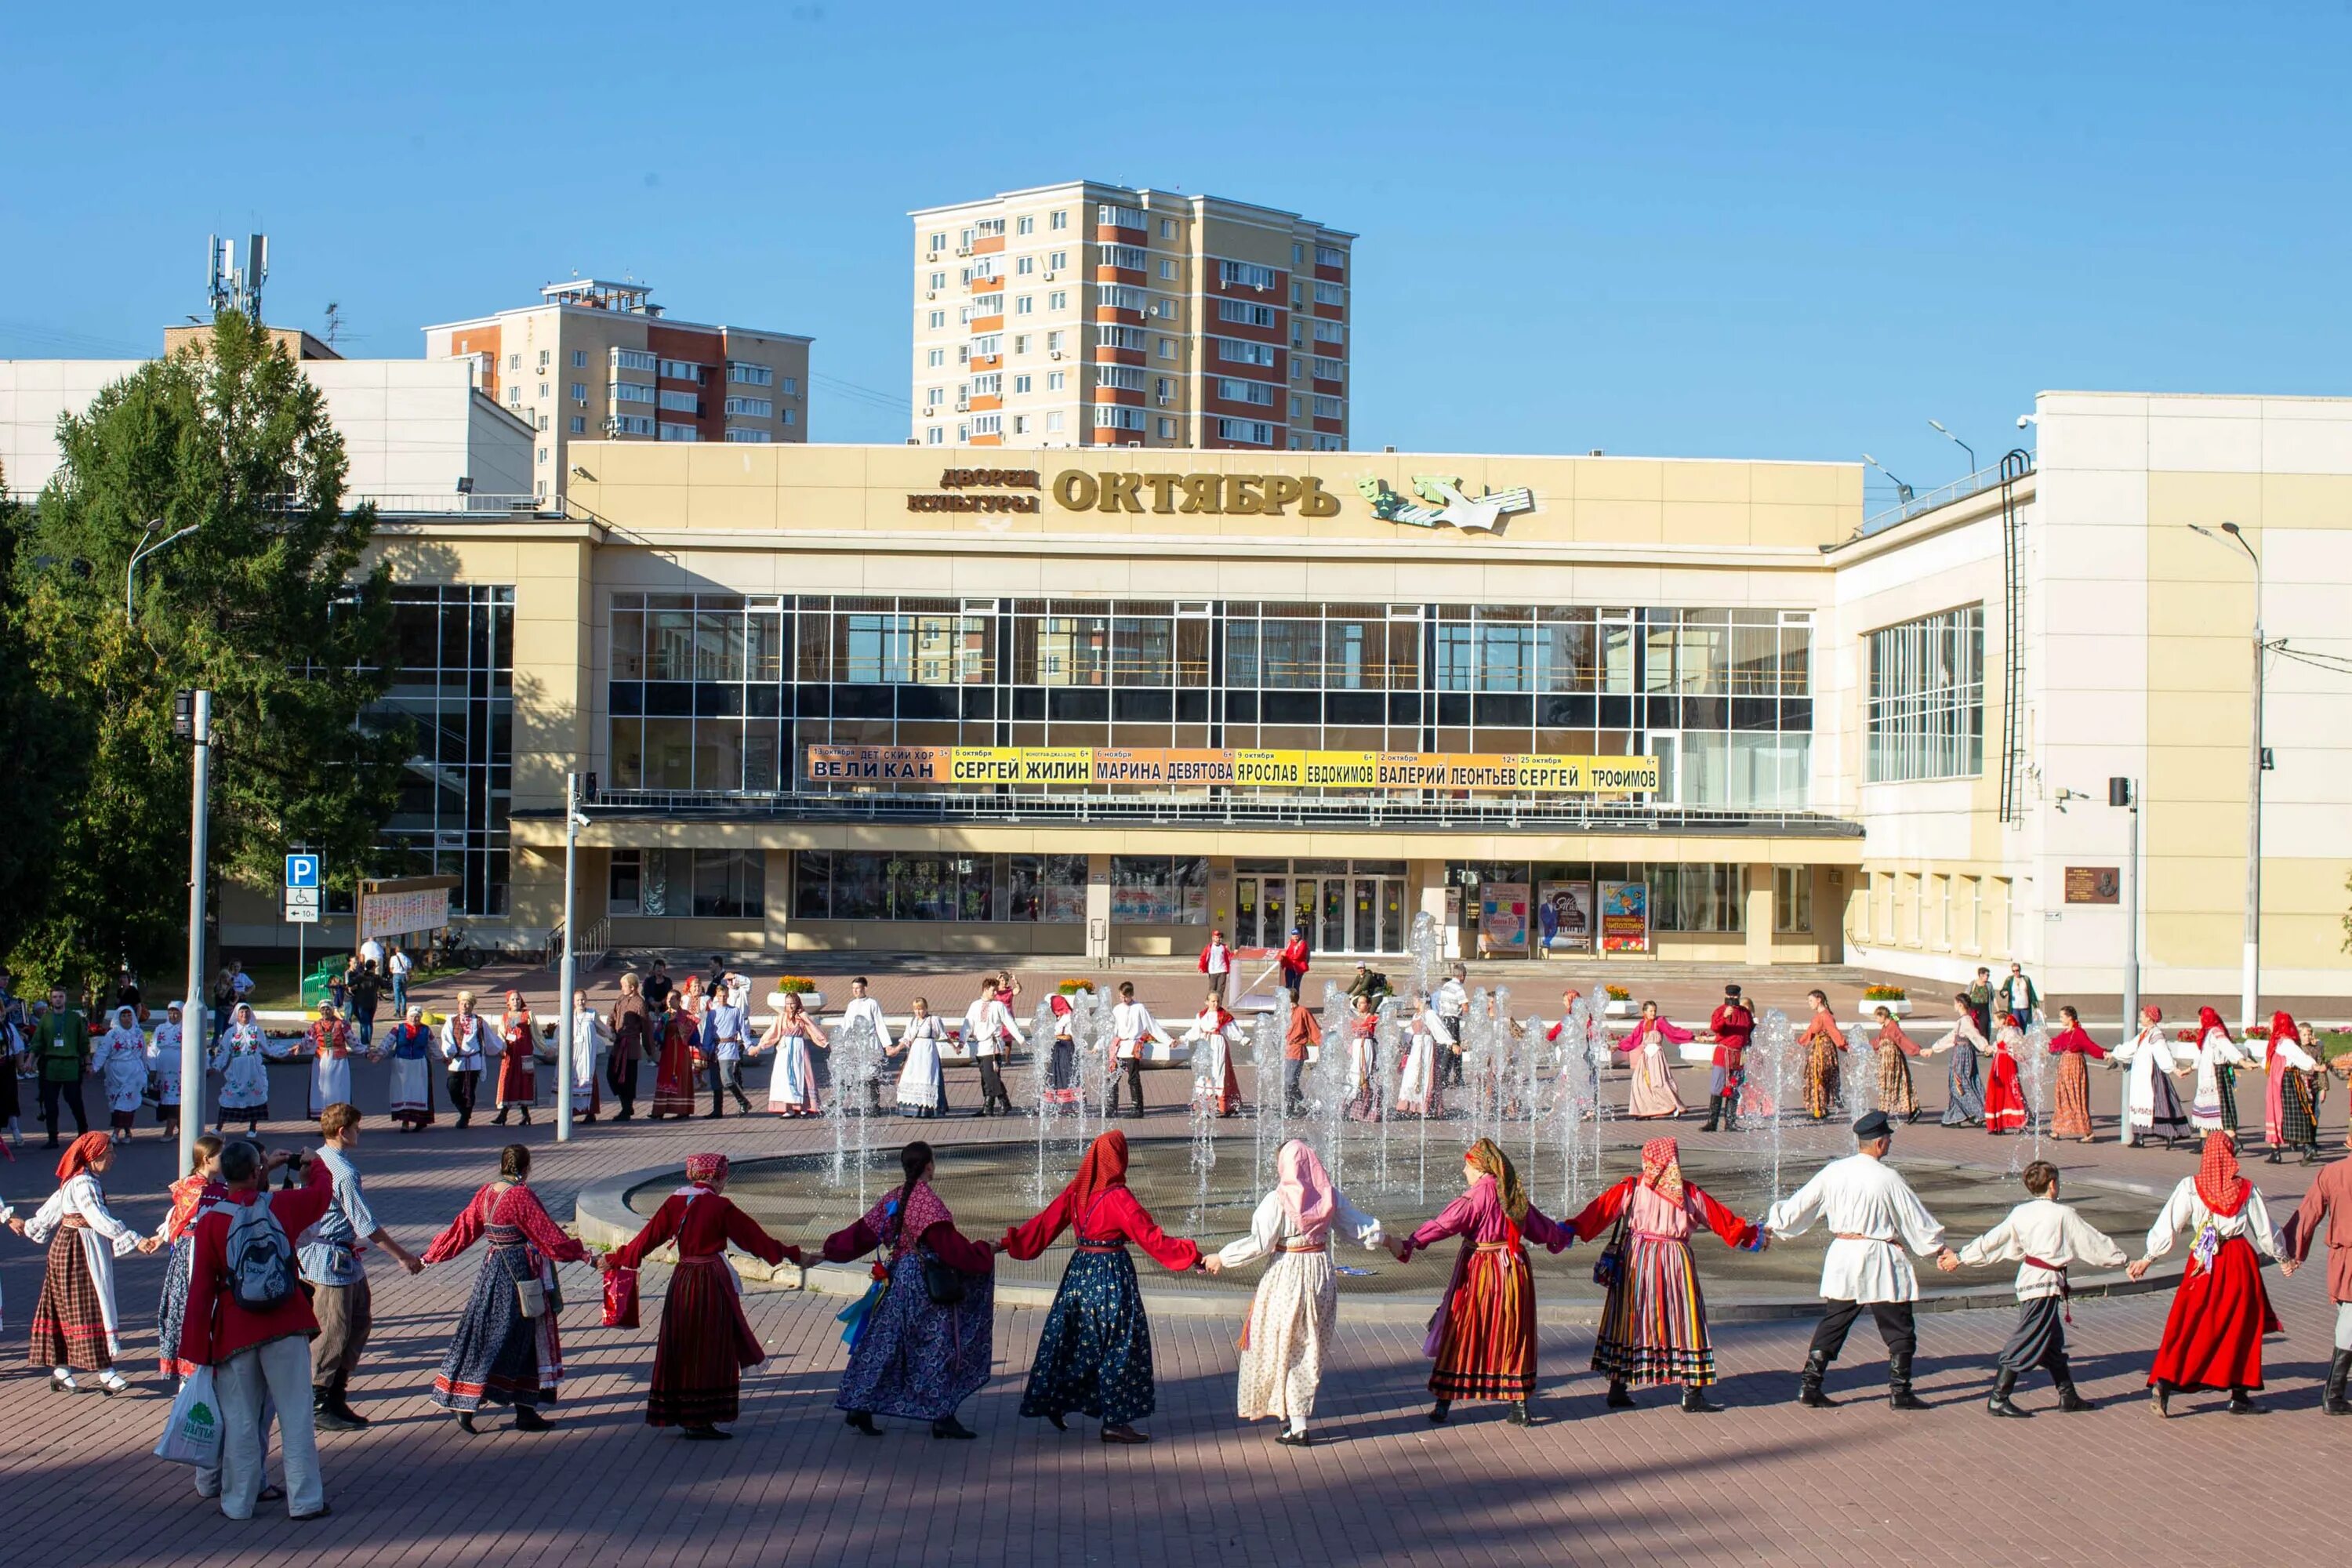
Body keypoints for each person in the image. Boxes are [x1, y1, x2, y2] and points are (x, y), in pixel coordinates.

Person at [1003, 1129, 1204, 1443]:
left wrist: (1009, 1243)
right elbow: (1151, 1238)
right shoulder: (1118, 1198)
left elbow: (1045, 1224)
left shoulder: (1078, 1191)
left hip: (1080, 1272)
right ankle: (1115, 1421)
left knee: (1075, 1340)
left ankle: (1057, 1399)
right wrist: (1191, 1256)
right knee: (1119, 1345)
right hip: (1111, 1275)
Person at [176, 1138, 338, 1521]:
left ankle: (237, 1503)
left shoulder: (211, 1221)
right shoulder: (280, 1207)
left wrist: (198, 1348)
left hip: (235, 1332)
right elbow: (320, 1195)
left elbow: (200, 1290)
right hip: (286, 1323)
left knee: (241, 1421)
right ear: (256, 1173)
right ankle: (305, 1501)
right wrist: (314, 1165)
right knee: (296, 1415)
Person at [597, 1152, 797, 1439]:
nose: (725, 1181)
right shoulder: (720, 1207)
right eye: (724, 1176)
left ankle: (682, 1412)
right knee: (710, 1346)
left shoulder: (674, 1202)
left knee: (682, 1344)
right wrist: (794, 1255)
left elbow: (643, 1242)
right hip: (712, 1282)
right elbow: (758, 1241)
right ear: (716, 1176)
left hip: (683, 1280)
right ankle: (702, 1417)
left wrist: (614, 1259)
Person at [1765, 1110, 1955, 1410]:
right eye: (1888, 1138)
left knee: (1835, 1320)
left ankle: (1810, 1385)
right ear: (1879, 1143)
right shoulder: (1888, 1177)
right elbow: (1915, 1219)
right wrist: (1939, 1250)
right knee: (1898, 1324)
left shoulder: (1834, 1171)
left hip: (1844, 1255)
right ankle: (1900, 1391)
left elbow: (1801, 1203)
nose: (1889, 1141)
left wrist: (1773, 1226)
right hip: (1879, 1258)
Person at [1202, 1138, 1384, 1445]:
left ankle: (1287, 1416)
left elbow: (1259, 1243)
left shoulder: (1277, 1200)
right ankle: (1298, 1421)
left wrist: (1223, 1257)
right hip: (1320, 1272)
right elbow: (1357, 1228)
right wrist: (1385, 1239)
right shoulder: (1329, 1196)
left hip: (1288, 1272)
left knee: (1278, 1343)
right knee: (1308, 1344)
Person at [1566, 1136, 1765, 1413]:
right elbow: (1722, 1220)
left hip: (1638, 1259)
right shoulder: (1689, 1193)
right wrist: (1750, 1236)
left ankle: (1617, 1387)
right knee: (1684, 1320)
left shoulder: (1632, 1188)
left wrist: (1570, 1230)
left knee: (1630, 1319)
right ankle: (1692, 1392)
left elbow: (1599, 1213)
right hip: (1675, 1262)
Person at [1391, 1138, 1573, 1425]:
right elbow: (1539, 1227)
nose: (1464, 1171)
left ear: (1479, 1166)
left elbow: (1446, 1223)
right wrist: (1562, 1235)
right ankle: (1519, 1406)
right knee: (1511, 1334)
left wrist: (1412, 1242)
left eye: (1467, 1165)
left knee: (1462, 1328)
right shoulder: (1511, 1193)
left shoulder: (1478, 1195)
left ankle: (1443, 1403)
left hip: (1482, 1270)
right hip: (1514, 1270)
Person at [824, 1140, 999, 1439]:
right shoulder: (929, 1205)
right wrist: (985, 1250)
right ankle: (942, 1416)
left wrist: (829, 1250)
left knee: (885, 1344)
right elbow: (952, 1250)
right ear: (929, 1166)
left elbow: (862, 1234)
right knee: (938, 1347)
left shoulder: (894, 1198)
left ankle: (860, 1405)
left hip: (896, 1282)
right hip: (924, 1286)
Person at [422, 1143, 589, 1432]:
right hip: (520, 1272)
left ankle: (476, 1403)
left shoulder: (486, 1193)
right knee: (524, 1336)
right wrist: (583, 1255)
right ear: (526, 1168)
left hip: (492, 1268)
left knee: (484, 1332)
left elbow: (462, 1230)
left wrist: (429, 1256)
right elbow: (548, 1235)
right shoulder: (521, 1196)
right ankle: (518, 1408)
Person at [1940, 1159, 2127, 1417]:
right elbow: (2093, 1241)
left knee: (2052, 1344)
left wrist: (1961, 1258)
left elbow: (1991, 1241)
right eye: (2057, 1182)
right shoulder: (2063, 1214)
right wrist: (2124, 1260)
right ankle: (1998, 1397)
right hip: (2044, 1286)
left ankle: (2068, 1396)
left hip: (2030, 1281)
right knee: (2026, 1339)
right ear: (2052, 1185)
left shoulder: (2021, 1212)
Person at [2129, 1131, 2294, 1415]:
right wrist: (2283, 1257)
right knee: (2240, 1325)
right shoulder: (2245, 1190)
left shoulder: (2191, 1187)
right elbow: (2265, 1230)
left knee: (2190, 1321)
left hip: (2203, 1262)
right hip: (2238, 1261)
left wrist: (2148, 1258)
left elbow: (2169, 1224)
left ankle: (2166, 1382)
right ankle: (2238, 1394)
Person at [303, 1102, 423, 1430]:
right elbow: (366, 1224)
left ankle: (337, 1394)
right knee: (334, 1329)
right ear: (343, 1131)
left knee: (358, 1322)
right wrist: (403, 1256)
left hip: (343, 1258)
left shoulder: (318, 1158)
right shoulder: (341, 1171)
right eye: (357, 1127)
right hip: (331, 1260)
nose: (360, 1132)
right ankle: (319, 1400)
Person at [23, 1132, 142, 1393]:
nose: (113, 1158)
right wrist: (130, 1237)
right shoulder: (84, 1183)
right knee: (90, 1306)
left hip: (68, 1247)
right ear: (95, 1156)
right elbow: (96, 1216)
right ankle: (106, 1373)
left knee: (67, 1308)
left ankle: (62, 1371)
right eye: (109, 1153)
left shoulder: (75, 1180)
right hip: (78, 1249)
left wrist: (33, 1225)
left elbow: (51, 1211)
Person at [2282, 1139, 2352, 1415]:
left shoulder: (2332, 1172)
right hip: (2346, 1256)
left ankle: (2333, 1394)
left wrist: (2292, 1251)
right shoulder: (2332, 1172)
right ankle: (2332, 1395)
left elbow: (2308, 1213)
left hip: (2341, 1259)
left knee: (2347, 1316)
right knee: (2348, 1323)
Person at [147, 1134, 224, 1381]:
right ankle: (188, 1369)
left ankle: (201, 1364)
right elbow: (179, 1216)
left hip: (205, 1250)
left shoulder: (213, 1188)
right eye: (221, 1155)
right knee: (191, 1303)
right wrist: (164, 1235)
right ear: (207, 1158)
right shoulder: (194, 1188)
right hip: (192, 1252)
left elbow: (174, 1215)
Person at [2111, 1004, 2189, 1149]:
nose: (2140, 1017)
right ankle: (2140, 1137)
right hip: (2142, 1075)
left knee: (2159, 1104)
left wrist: (2173, 1069)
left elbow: (2163, 1053)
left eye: (2142, 1015)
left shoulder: (2156, 1035)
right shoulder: (2145, 1033)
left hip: (2153, 1076)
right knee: (2142, 1105)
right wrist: (2114, 1053)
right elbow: (2130, 1047)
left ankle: (2170, 1134)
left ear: (2149, 1017)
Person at [31, 986, 90, 1147]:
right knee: (50, 1102)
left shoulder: (74, 1018)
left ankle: (83, 1132)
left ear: (65, 999)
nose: (58, 999)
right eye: (55, 997)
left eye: (61, 997)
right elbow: (37, 1043)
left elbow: (83, 1042)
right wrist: (29, 1062)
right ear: (51, 999)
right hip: (51, 1065)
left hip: (70, 1064)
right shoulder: (46, 1019)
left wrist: (88, 1062)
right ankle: (52, 1137)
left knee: (74, 1100)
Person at [2262, 1011, 2322, 1163]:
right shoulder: (2276, 1042)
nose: (2269, 1026)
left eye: (2271, 1023)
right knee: (2281, 1113)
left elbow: (2299, 1056)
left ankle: (2306, 1147)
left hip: (2285, 1082)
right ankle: (2277, 1151)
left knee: (2293, 1113)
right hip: (2277, 1082)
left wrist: (2314, 1066)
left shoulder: (2285, 1042)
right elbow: (2266, 1061)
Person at [1614, 1000, 1690, 1120]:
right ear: (1645, 1012)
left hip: (1657, 1056)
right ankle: (1646, 1110)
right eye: (1650, 1011)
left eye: (1654, 1011)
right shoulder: (1642, 1024)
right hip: (1645, 1057)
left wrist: (1691, 1036)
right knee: (1640, 1083)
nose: (1653, 1013)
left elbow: (1673, 1031)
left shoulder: (1659, 1022)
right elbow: (1633, 1039)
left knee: (1659, 1083)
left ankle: (1674, 1106)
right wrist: (1619, 1046)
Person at [2045, 1004, 2108, 1142]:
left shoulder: (2078, 1033)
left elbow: (2090, 1046)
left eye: (2062, 1016)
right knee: (2062, 1097)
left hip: (2074, 1068)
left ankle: (2087, 1132)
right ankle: (2057, 1130)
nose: (2060, 1019)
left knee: (2076, 1098)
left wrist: (2103, 1053)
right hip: (2064, 1068)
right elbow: (2054, 1044)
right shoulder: (2066, 1032)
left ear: (2070, 1017)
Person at [961, 977, 1022, 1117]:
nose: (996, 994)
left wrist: (1020, 1038)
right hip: (981, 1045)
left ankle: (1004, 1102)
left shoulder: (998, 1006)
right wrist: (961, 1041)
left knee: (991, 1076)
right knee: (986, 1077)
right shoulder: (975, 1005)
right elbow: (967, 1024)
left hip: (994, 1046)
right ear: (985, 989)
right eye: (993, 990)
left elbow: (1009, 1022)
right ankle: (988, 1107)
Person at [1926, 993, 1988, 1127]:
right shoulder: (1962, 1021)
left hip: (1962, 1054)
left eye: (1955, 1003)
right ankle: (1956, 1116)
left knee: (1959, 1084)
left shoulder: (1966, 1021)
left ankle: (1980, 1113)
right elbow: (1951, 1037)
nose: (1954, 1005)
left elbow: (1974, 1035)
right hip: (1962, 1052)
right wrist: (1933, 1049)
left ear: (1960, 1004)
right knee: (1962, 1082)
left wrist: (1985, 1046)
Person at [761, 991, 827, 1117]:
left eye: (792, 1003)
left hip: (799, 1047)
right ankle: (789, 1108)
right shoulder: (782, 1017)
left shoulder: (802, 1016)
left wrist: (824, 1042)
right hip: (785, 1049)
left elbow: (813, 1029)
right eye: (787, 1004)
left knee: (802, 1075)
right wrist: (760, 1046)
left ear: (797, 1003)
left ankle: (804, 1106)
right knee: (785, 1077)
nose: (790, 1006)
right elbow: (773, 1033)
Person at [1181, 987, 1246, 1117]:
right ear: (1207, 1002)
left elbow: (1233, 1031)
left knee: (1218, 1072)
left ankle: (1221, 1105)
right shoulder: (1201, 1015)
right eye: (1213, 1001)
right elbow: (1194, 1031)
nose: (1215, 1004)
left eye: (1217, 1001)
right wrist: (1183, 1038)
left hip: (1218, 1045)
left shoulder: (1224, 1016)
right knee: (1204, 1074)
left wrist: (1243, 1039)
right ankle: (1204, 1105)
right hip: (1205, 1043)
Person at [1107, 981, 1164, 1120]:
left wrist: (1167, 1040)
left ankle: (1137, 1108)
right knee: (1113, 1077)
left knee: (1133, 1078)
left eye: (1125, 997)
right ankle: (1111, 1107)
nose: (1123, 1000)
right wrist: (1099, 1046)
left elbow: (1152, 1025)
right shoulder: (1117, 1009)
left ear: (1131, 995)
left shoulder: (1139, 1008)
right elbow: (1110, 1030)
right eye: (1121, 997)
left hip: (1132, 1047)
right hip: (1119, 1047)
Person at [90, 1006, 147, 1143]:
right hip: (116, 1072)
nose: (127, 1019)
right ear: (118, 1018)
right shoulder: (112, 1035)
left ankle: (115, 1134)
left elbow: (144, 1053)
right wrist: (94, 1067)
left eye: (129, 1016)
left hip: (134, 1071)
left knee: (125, 1101)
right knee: (116, 1103)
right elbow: (103, 1051)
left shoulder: (139, 1033)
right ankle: (127, 1132)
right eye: (124, 1016)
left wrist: (147, 1069)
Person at [212, 1002, 271, 1134]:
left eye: (247, 1012)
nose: (245, 1015)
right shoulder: (230, 1032)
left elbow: (268, 1047)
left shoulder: (256, 1030)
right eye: (242, 1012)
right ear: (237, 1015)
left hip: (253, 1068)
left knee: (254, 1095)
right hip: (237, 1068)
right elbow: (223, 1051)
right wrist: (216, 1066)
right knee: (230, 1095)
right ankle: (218, 1127)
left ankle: (253, 1128)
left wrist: (285, 1052)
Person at [1700, 985, 1752, 1134]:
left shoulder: (1745, 1013)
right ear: (1725, 995)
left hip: (1738, 1056)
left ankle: (1730, 1122)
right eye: (1731, 996)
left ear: (1739, 996)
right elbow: (1715, 1028)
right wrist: (1724, 1016)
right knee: (1717, 1088)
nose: (1733, 998)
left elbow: (1750, 1030)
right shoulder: (1719, 1011)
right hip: (1723, 1054)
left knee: (1735, 1089)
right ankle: (1712, 1122)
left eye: (1736, 996)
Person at [699, 981, 751, 1118]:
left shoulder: (735, 1011)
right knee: (715, 1081)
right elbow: (708, 1032)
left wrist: (748, 1045)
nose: (722, 998)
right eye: (720, 995)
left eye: (725, 995)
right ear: (716, 996)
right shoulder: (712, 1013)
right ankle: (717, 1110)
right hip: (715, 1049)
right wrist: (705, 1048)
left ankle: (743, 1101)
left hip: (728, 1048)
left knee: (727, 1078)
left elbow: (743, 1030)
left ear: (728, 996)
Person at [378, 1004, 434, 1131]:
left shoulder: (426, 1030)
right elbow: (387, 1042)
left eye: (417, 1017)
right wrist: (379, 1054)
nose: (415, 1019)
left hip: (419, 1065)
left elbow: (433, 1046)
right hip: (402, 1065)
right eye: (412, 1016)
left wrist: (443, 1058)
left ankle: (419, 1121)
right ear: (408, 1017)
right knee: (403, 1093)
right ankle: (405, 1122)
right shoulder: (398, 1028)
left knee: (418, 1092)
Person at [890, 998, 949, 1118]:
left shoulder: (933, 1020)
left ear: (926, 1008)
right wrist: (896, 1049)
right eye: (916, 1010)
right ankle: (909, 1109)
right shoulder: (912, 1022)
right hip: (915, 1053)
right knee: (912, 1076)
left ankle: (928, 1109)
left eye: (921, 1009)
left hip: (928, 1052)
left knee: (928, 1077)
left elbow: (941, 1035)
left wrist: (956, 1046)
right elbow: (907, 1038)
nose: (918, 1012)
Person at [438, 991, 489, 1129]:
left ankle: (465, 1118)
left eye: (468, 1004)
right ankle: (464, 1111)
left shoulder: (479, 1021)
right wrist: (449, 1052)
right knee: (452, 1087)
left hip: (474, 1062)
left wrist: (501, 1048)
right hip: (457, 1061)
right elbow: (447, 1038)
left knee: (470, 1090)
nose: (465, 1006)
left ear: (472, 1006)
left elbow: (489, 1038)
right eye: (462, 1004)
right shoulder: (452, 1021)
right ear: (458, 1005)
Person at [839, 976, 890, 1114]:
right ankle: (838, 1102)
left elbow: (880, 1024)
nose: (855, 991)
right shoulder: (851, 1005)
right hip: (855, 1044)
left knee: (872, 1075)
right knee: (849, 1072)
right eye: (853, 988)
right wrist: (841, 1041)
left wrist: (887, 1045)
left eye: (858, 988)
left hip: (870, 1043)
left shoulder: (872, 1003)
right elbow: (846, 1025)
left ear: (864, 988)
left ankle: (875, 1106)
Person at [607, 973, 653, 1120]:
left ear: (632, 987)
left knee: (628, 1079)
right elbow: (612, 1017)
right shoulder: (621, 999)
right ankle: (625, 1105)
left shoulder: (640, 1004)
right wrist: (611, 1031)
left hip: (631, 1047)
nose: (621, 988)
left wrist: (649, 1049)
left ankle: (626, 1109)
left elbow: (646, 1027)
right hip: (618, 1044)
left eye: (624, 985)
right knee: (611, 1074)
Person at [1396, 993, 1450, 1118]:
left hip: (1426, 1046)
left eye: (1416, 999)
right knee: (1412, 1074)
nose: (1414, 1002)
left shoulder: (1429, 1014)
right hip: (1416, 1047)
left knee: (1424, 1073)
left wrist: (1450, 1043)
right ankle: (1411, 1104)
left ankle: (1424, 1105)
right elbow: (1410, 1031)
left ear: (1421, 1000)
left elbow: (1439, 1028)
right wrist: (1402, 1041)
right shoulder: (1416, 1015)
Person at [491, 990, 537, 1126]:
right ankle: (504, 1114)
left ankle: (525, 1114)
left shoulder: (527, 1015)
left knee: (524, 1083)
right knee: (508, 1082)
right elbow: (500, 1035)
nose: (515, 1002)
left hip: (524, 1054)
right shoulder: (505, 1017)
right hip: (510, 1055)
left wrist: (546, 1049)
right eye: (512, 1000)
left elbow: (536, 1034)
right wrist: (501, 1048)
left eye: (517, 999)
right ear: (508, 1003)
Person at [1869, 1006, 1922, 1121]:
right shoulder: (1885, 1027)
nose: (1876, 1020)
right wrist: (1865, 1045)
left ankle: (1910, 1109)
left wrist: (1918, 1050)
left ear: (1883, 1016)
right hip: (1886, 1062)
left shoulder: (1892, 1027)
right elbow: (1878, 1041)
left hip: (1892, 1061)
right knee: (1888, 1084)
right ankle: (1885, 1110)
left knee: (1897, 1083)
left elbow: (1903, 1040)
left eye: (1877, 1017)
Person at [1798, 991, 1845, 1121]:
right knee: (1816, 1077)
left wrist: (1845, 1046)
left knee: (1820, 1077)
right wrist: (1798, 1044)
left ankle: (1821, 1109)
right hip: (1818, 1048)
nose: (1810, 1004)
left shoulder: (1825, 1016)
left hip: (1823, 1051)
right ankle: (1819, 1108)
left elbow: (1835, 1033)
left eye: (1811, 1001)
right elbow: (1810, 1032)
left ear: (1819, 1000)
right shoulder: (1820, 1016)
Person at [1044, 984, 1091, 1109]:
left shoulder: (1068, 1017)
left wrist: (1056, 1037)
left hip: (1066, 1049)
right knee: (1056, 1075)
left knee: (1068, 1074)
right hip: (1058, 1050)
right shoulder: (1058, 1017)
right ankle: (1058, 1102)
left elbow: (1070, 1036)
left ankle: (1072, 1103)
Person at [306, 1003, 354, 1121]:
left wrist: (367, 1052)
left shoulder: (342, 1025)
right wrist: (297, 1048)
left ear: (332, 1011)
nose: (325, 1012)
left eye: (328, 1009)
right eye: (323, 1009)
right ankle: (324, 1121)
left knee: (339, 1089)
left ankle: (339, 1120)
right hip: (321, 1062)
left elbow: (353, 1041)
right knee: (321, 1090)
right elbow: (308, 1041)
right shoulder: (316, 1026)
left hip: (339, 1062)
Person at [146, 1001, 186, 1140]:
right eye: (170, 1012)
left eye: (176, 1013)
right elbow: (152, 1049)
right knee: (167, 1100)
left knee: (176, 1100)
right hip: (163, 1071)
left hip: (180, 1071)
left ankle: (169, 1131)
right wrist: (152, 1068)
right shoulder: (161, 1028)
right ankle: (182, 1128)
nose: (173, 1016)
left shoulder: (188, 1028)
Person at [1344, 993, 1383, 1122]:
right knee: (1354, 1075)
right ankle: (1350, 1109)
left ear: (1369, 1004)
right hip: (1356, 1048)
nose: (1360, 1005)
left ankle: (1366, 1110)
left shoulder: (1372, 1018)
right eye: (1359, 1003)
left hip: (1366, 1046)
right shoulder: (1354, 1020)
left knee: (1366, 1075)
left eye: (1363, 1003)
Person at [1281, 991, 1320, 1117]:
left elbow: (1313, 1029)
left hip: (1297, 1051)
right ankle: (1290, 1108)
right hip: (1286, 1050)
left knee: (1290, 1080)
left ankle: (1304, 1104)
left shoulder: (1302, 1011)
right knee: (1286, 1082)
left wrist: (1322, 1046)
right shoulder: (1284, 1012)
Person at [1434, 964, 1470, 1087]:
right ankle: (1454, 1078)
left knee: (1447, 1048)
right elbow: (1465, 1007)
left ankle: (1445, 1077)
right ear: (1462, 976)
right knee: (1454, 1049)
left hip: (1444, 1019)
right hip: (1453, 1020)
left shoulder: (1446, 986)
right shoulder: (1458, 988)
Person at [348, 960, 381, 1053]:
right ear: (374, 967)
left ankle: (364, 1043)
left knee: (364, 1023)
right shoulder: (377, 977)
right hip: (373, 1002)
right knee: (369, 1022)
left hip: (361, 1002)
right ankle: (368, 1043)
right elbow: (386, 985)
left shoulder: (361, 977)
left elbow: (350, 984)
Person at [1999, 961, 2039, 1033]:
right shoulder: (2010, 979)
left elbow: (2032, 993)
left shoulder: (2026, 979)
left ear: (2020, 970)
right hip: (2015, 1007)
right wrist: (2004, 993)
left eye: (2017, 970)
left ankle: (2022, 1041)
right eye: (2013, 971)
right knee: (2016, 1026)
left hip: (2025, 1007)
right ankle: (2017, 1041)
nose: (2015, 972)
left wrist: (2036, 1007)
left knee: (2024, 1026)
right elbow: (2003, 990)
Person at [1199, 930, 1234, 1007]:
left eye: (1219, 938)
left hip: (1222, 970)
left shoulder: (1224, 947)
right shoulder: (1209, 947)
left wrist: (1236, 954)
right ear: (1213, 938)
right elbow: (1203, 957)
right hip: (1213, 971)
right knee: (1212, 990)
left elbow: (1230, 956)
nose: (1218, 939)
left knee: (1221, 989)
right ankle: (1210, 1005)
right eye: (1216, 937)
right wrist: (1201, 967)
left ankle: (1219, 1006)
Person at [1278, 926, 1312, 996]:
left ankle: (1295, 1003)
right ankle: (1288, 1003)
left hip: (1298, 968)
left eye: (1297, 936)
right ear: (1292, 936)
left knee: (1296, 986)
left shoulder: (1303, 943)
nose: (1296, 938)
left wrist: (1286, 955)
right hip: (1289, 967)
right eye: (1294, 936)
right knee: (1288, 986)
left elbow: (1298, 956)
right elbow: (1287, 951)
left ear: (1300, 935)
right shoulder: (1290, 942)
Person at [1966, 966, 1995, 1042]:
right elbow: (1966, 995)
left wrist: (1998, 1010)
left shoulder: (1989, 985)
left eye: (1988, 975)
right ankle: (1972, 1046)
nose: (1988, 977)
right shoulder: (1973, 983)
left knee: (1984, 1028)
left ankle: (1986, 1047)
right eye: (1987, 975)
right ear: (1981, 975)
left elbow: (1993, 998)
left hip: (1984, 1009)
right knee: (1973, 1027)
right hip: (1974, 1008)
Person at [385, 942, 412, 1016]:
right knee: (403, 994)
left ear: (396, 951)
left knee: (397, 994)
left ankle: (397, 1012)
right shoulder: (407, 958)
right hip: (404, 976)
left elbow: (391, 969)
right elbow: (409, 969)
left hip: (396, 976)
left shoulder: (393, 958)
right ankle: (404, 1010)